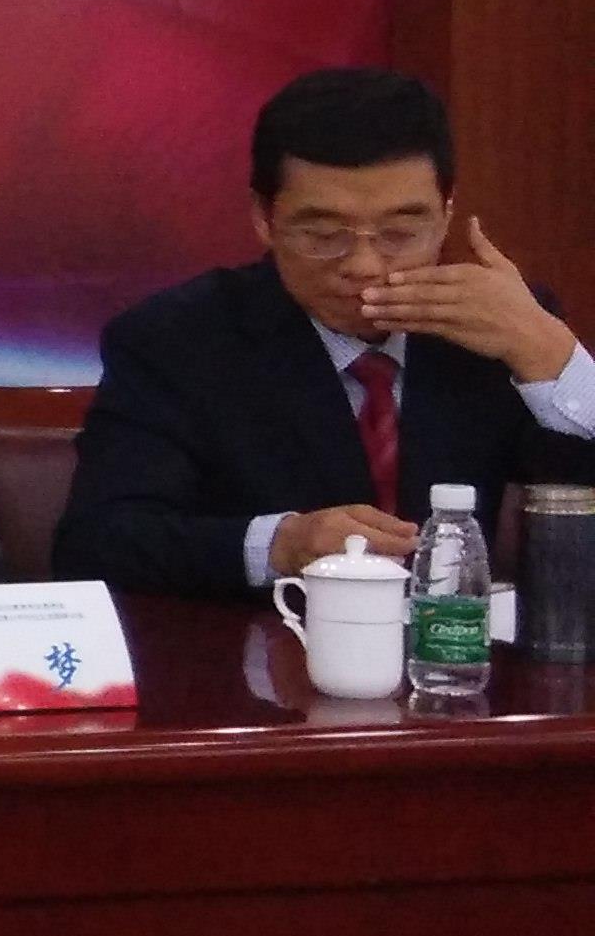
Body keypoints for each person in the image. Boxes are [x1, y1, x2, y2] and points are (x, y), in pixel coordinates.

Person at [55, 66, 595, 594]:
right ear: (264, 218)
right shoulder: (176, 340)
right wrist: (280, 544)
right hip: (265, 645)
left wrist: (552, 353)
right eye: (324, 235)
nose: (364, 265)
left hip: (451, 649)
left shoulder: (499, 330)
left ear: (446, 214)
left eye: (400, 233)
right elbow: (97, 542)